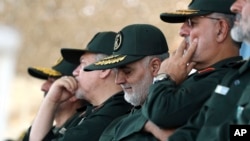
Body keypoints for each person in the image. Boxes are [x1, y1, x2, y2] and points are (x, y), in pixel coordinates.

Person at [139, 0, 246, 140]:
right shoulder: (191, 75)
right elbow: (126, 121)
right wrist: (147, 124)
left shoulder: (228, 78)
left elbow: (161, 112)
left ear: (220, 29)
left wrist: (164, 77)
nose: (181, 31)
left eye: (192, 23)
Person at [29, 32, 132, 141]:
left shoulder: (112, 114)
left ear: (104, 69)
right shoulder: (95, 111)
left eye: (82, 64)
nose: (74, 72)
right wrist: (51, 100)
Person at [84, 24, 169, 140]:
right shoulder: (118, 123)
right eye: (116, 71)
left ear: (154, 67)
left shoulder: (177, 111)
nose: (118, 80)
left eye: (127, 71)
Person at [20, 57, 86, 141]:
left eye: (52, 82)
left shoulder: (80, 129)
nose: (43, 87)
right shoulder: (51, 129)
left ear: (73, 94)